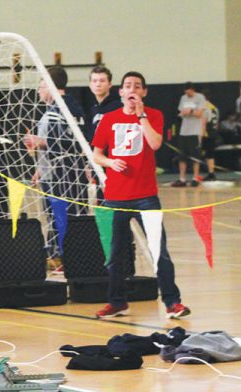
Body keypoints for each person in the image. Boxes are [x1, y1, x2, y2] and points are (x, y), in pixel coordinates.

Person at [91, 71, 190, 320]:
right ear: (121, 92)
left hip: (146, 195)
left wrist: (141, 115)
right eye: (128, 86)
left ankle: (172, 302)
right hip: (115, 196)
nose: (132, 89)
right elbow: (96, 154)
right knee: (115, 254)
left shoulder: (153, 115)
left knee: (160, 250)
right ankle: (117, 302)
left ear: (144, 92)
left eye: (137, 86)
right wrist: (110, 163)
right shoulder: (109, 119)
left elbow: (155, 143)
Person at [24, 66, 86, 263]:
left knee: (66, 216)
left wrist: (40, 141)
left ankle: (67, 256)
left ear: (51, 86)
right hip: (50, 174)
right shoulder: (52, 110)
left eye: (41, 86)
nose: (39, 91)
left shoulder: (67, 108)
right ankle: (55, 254)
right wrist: (39, 169)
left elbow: (74, 143)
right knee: (52, 216)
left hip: (64, 175)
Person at [172, 82, 206, 187]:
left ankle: (195, 177)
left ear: (193, 90)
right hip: (184, 131)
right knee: (182, 156)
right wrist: (185, 112)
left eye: (189, 91)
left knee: (195, 156)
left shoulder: (200, 98)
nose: (188, 93)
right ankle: (182, 178)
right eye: (186, 91)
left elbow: (199, 114)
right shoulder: (183, 98)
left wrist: (190, 112)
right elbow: (181, 112)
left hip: (195, 131)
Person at [84, 66, 121, 140]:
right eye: (94, 81)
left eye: (102, 81)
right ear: (90, 85)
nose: (98, 84)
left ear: (110, 84)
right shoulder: (92, 108)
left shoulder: (118, 107)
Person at [200, 87, 219, 182]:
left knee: (208, 154)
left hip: (207, 134)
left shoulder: (205, 107)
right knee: (210, 154)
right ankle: (211, 172)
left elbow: (204, 122)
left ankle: (211, 173)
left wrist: (201, 136)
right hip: (214, 133)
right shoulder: (214, 107)